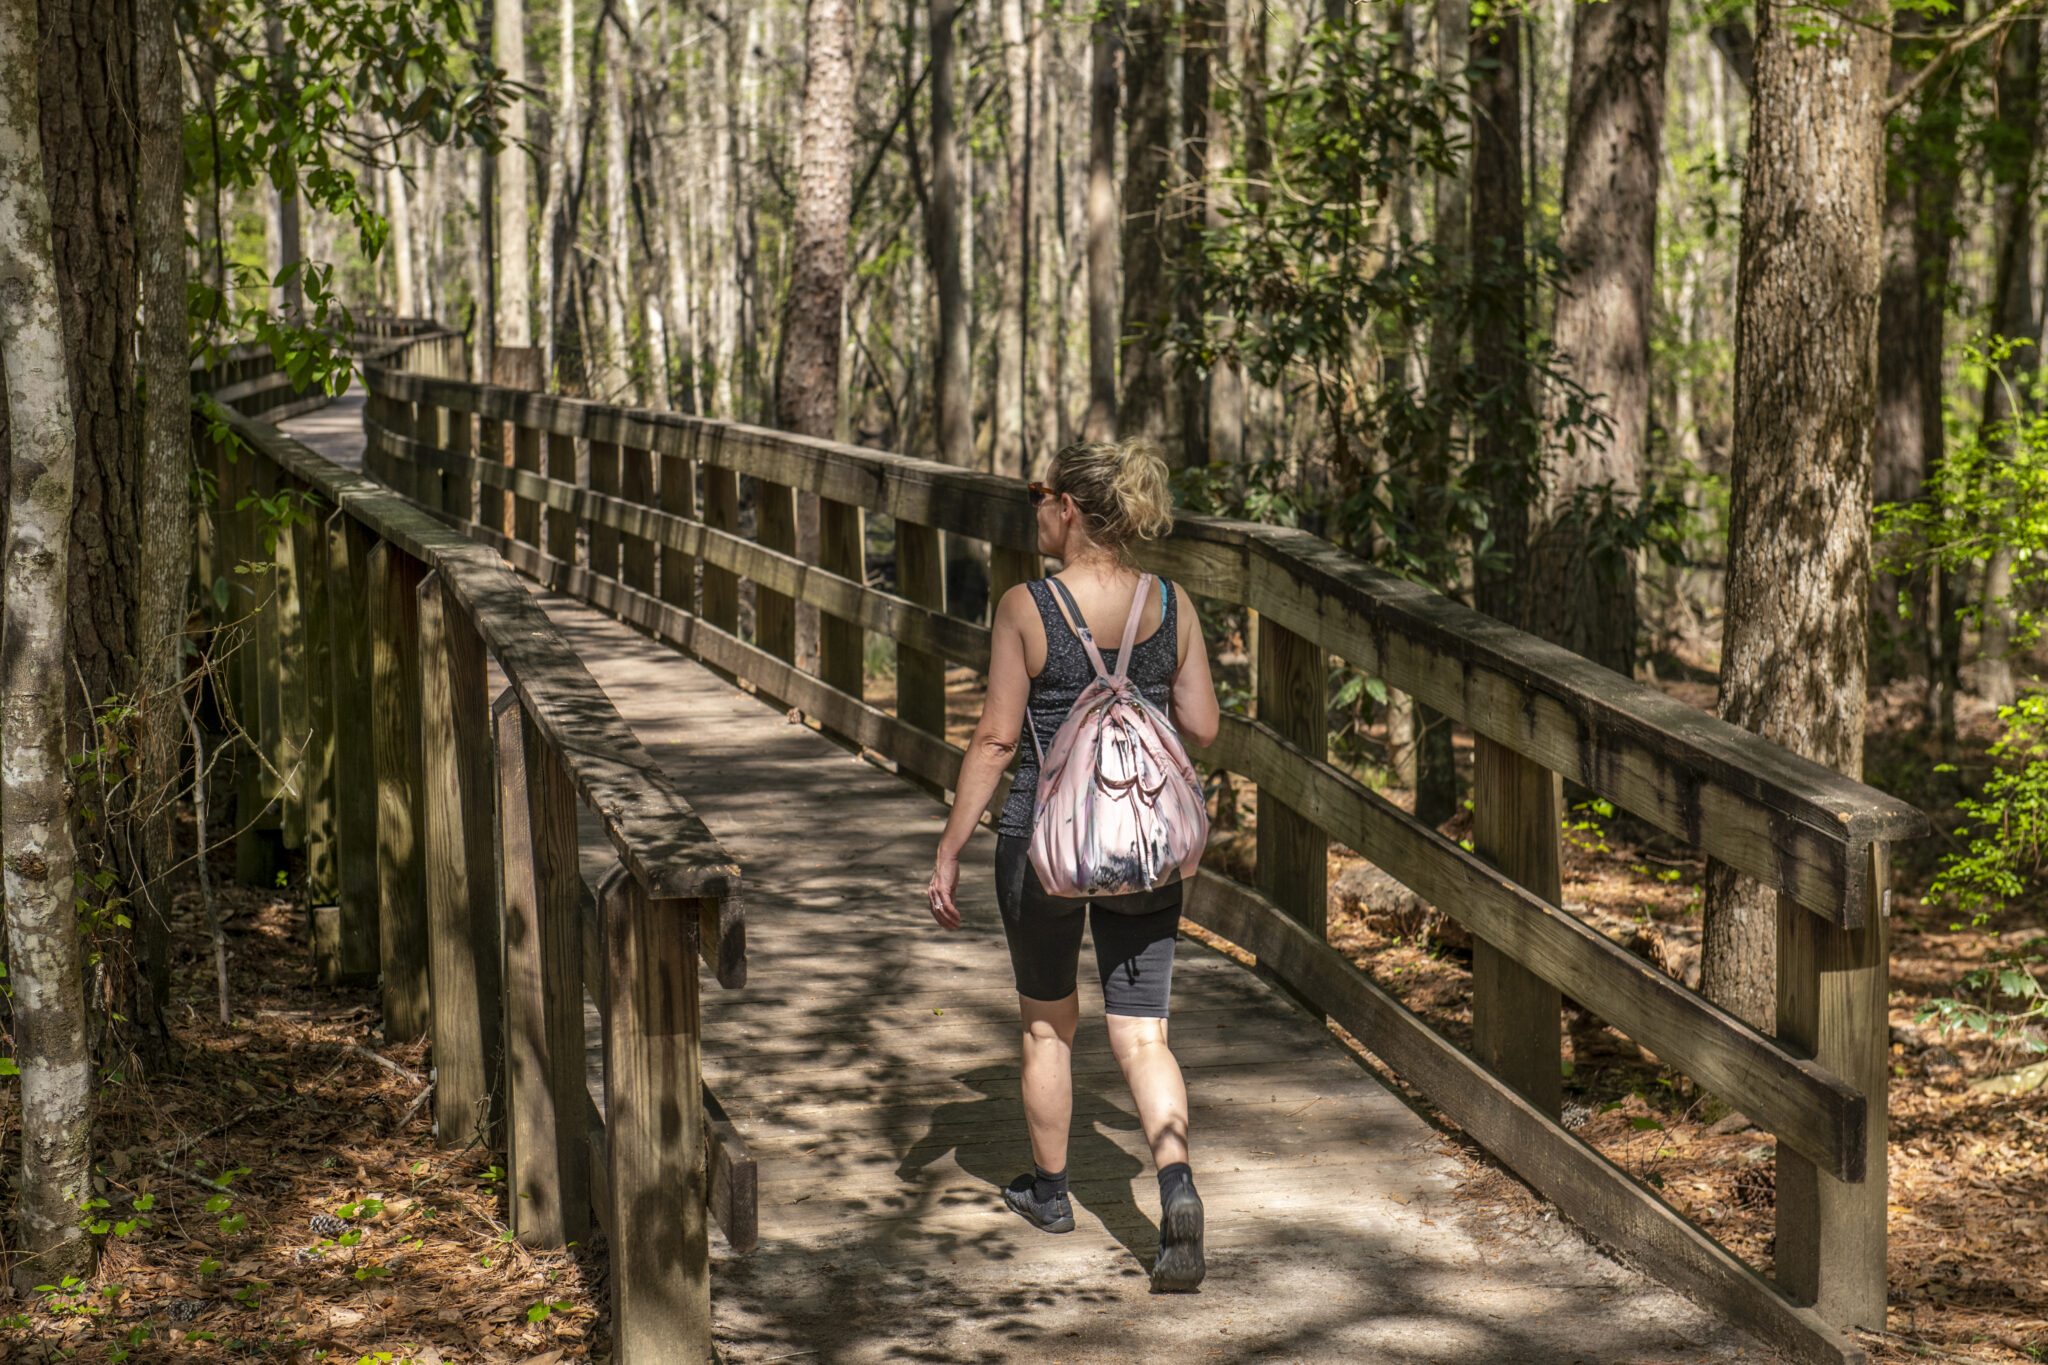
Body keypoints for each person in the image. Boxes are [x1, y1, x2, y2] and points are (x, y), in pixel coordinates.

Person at [925, 438, 1220, 1293]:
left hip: (1043, 843)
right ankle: (1175, 1185)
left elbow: (996, 738)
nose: (1035, 511)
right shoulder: (1171, 602)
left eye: (1038, 496)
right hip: (1145, 849)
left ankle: (1050, 1193)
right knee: (1144, 1033)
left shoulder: (1027, 605)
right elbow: (1202, 726)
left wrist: (949, 846)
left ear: (1066, 508)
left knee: (1048, 1023)